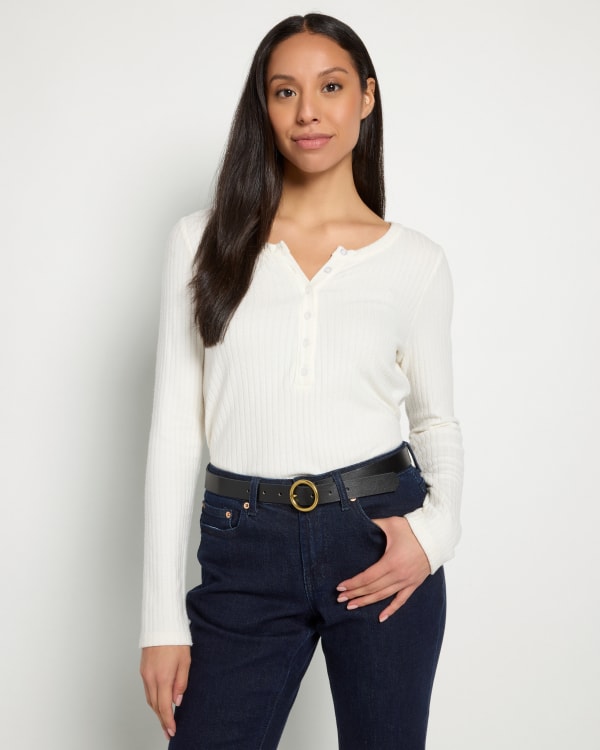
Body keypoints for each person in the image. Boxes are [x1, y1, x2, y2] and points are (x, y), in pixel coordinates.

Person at [139, 12, 463, 750]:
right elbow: (175, 432)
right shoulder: (201, 241)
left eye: (331, 87)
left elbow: (436, 423)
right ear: (264, 105)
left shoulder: (415, 262)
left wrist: (434, 536)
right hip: (242, 547)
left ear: (367, 97)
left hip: (379, 541)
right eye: (285, 91)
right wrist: (161, 622)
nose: (307, 111)